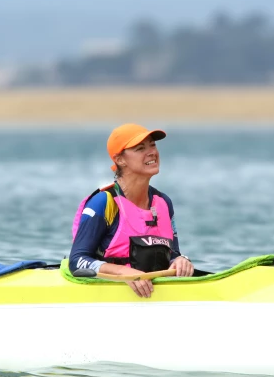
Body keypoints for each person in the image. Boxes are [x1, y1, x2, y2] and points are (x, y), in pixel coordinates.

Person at [69, 124, 194, 297]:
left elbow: (173, 254)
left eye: (152, 145)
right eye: (140, 148)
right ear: (120, 160)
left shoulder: (164, 203)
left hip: (154, 292)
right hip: (108, 294)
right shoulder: (103, 203)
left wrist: (180, 260)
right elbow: (77, 261)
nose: (151, 152)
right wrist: (123, 273)